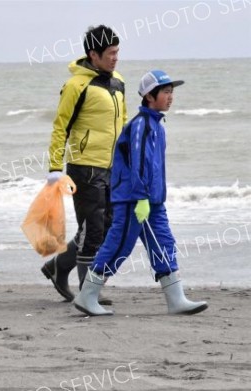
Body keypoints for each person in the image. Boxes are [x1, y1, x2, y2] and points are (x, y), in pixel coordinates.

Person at [74, 70, 208, 316]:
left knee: (164, 244)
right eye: (166, 92)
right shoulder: (140, 126)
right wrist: (142, 197)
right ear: (149, 96)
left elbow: (155, 167)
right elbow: (139, 165)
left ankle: (176, 299)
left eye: (171, 92)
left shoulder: (157, 125)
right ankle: (87, 295)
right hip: (133, 200)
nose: (171, 97)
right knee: (120, 245)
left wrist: (153, 198)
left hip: (153, 201)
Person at [41, 25, 127, 303]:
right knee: (93, 231)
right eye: (111, 53)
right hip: (84, 167)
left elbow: (122, 124)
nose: (115, 57)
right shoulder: (76, 85)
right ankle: (88, 292)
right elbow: (60, 127)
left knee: (105, 225)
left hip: (111, 167)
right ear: (94, 54)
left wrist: (128, 160)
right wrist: (55, 168)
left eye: (117, 52)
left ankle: (58, 267)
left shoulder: (118, 82)